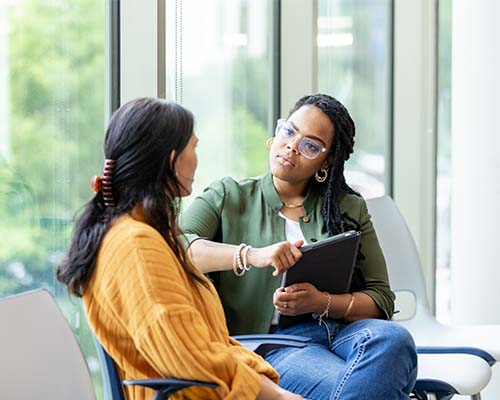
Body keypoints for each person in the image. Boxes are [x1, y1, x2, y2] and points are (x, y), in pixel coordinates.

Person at [56, 98, 303, 400]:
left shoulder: (144, 234)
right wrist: (277, 396)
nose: (197, 158)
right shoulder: (135, 245)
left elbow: (206, 346)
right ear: (173, 159)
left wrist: (268, 385)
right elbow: (190, 361)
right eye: (194, 147)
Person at [180, 94, 418, 399]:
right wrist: (252, 255)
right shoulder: (228, 196)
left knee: (394, 340)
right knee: (365, 385)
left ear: (326, 161)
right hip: (275, 344)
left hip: (345, 333)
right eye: (289, 131)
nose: (292, 146)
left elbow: (380, 298)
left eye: (311, 145)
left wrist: (321, 301)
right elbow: (178, 248)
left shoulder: (347, 207)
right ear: (276, 133)